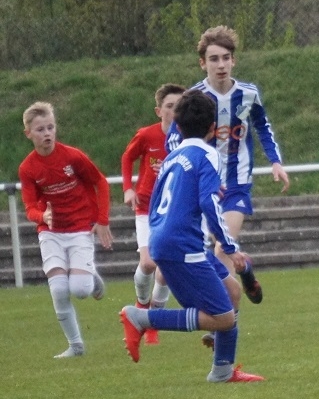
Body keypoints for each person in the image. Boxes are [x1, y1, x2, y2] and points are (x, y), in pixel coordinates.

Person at [120, 89, 264, 382]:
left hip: (173, 240)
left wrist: (159, 238)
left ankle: (222, 370)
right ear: (213, 128)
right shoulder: (208, 154)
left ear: (178, 126)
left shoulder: (172, 157)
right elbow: (208, 203)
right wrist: (229, 246)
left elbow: (158, 201)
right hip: (183, 245)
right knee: (222, 318)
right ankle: (142, 318)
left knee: (233, 292)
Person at [187, 25, 290, 304]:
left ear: (233, 60)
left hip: (237, 182)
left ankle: (225, 316)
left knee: (223, 247)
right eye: (214, 59)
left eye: (225, 58)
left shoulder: (248, 93)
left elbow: (262, 126)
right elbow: (178, 138)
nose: (221, 65)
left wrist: (276, 162)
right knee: (210, 249)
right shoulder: (194, 98)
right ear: (203, 63)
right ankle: (244, 268)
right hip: (204, 184)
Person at [18, 102, 113, 358]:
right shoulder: (28, 168)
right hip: (50, 232)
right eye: (40, 130)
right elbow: (29, 207)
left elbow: (100, 182)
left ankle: (91, 277)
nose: (47, 133)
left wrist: (102, 220)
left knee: (80, 290)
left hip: (80, 227)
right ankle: (76, 346)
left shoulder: (72, 157)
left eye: (50, 127)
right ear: (28, 133)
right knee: (59, 290)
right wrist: (42, 216)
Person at [121, 83, 186, 345]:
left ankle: (154, 322)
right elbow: (127, 158)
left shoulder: (188, 138)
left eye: (179, 106)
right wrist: (128, 188)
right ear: (159, 111)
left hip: (172, 209)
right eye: (170, 106)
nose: (175, 111)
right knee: (148, 263)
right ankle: (141, 303)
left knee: (165, 270)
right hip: (146, 206)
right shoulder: (147, 135)